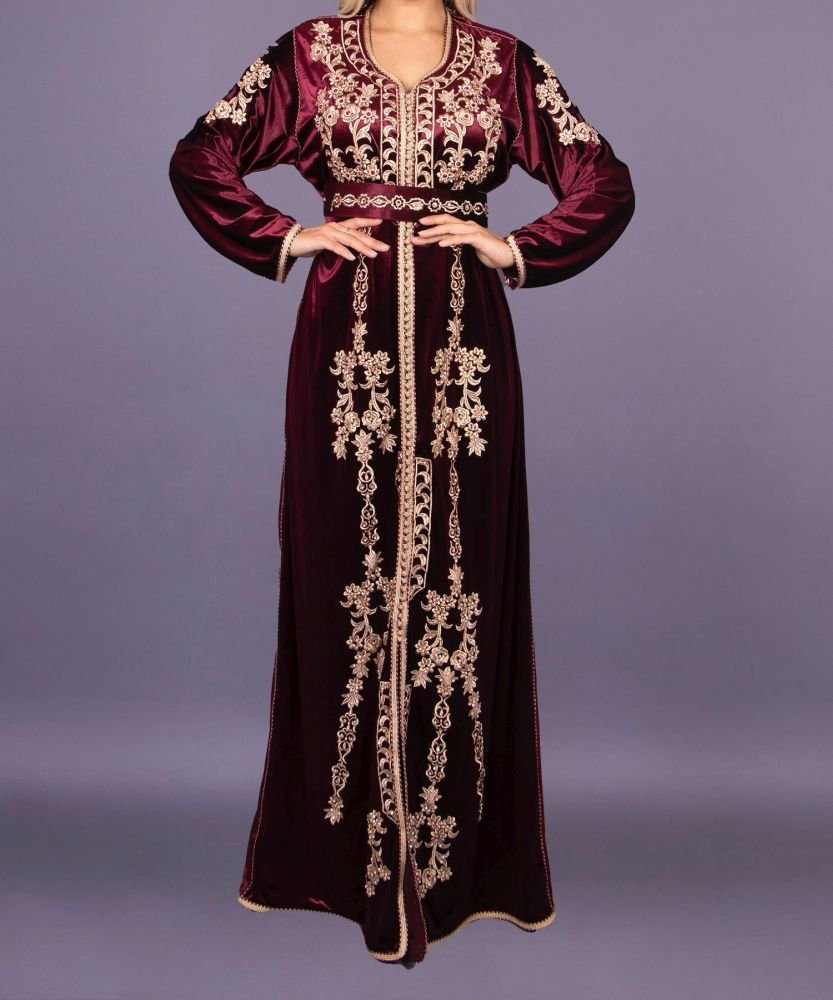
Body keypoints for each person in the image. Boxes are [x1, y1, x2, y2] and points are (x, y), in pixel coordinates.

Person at [168, 0, 635, 969]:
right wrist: (287, 236)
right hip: (346, 353)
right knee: (344, 580)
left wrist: (515, 247)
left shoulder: (503, 64)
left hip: (465, 354)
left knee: (459, 589)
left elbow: (603, 180)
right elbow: (201, 156)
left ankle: (454, 870)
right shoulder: (309, 54)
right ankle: (345, 865)